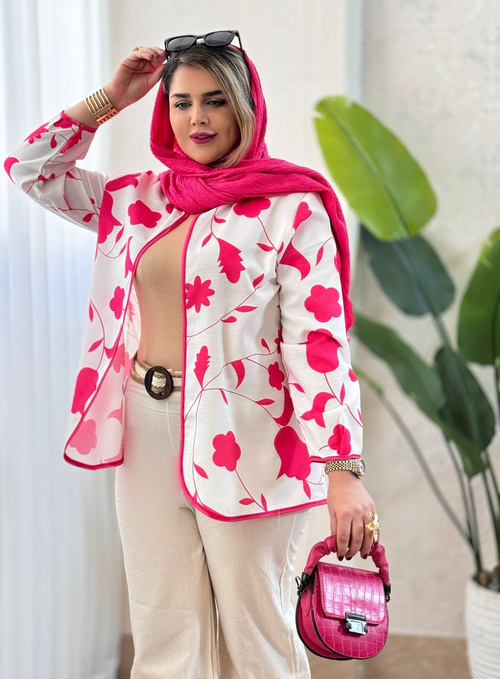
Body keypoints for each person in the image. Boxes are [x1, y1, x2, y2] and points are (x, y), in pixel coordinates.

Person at [4, 31, 380, 679]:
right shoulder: (138, 199)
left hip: (251, 436)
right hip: (146, 429)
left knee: (257, 639)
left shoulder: (291, 207)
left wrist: (342, 466)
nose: (197, 118)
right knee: (163, 635)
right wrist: (111, 97)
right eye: (181, 103)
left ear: (245, 107)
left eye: (215, 101)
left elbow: (317, 343)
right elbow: (31, 169)